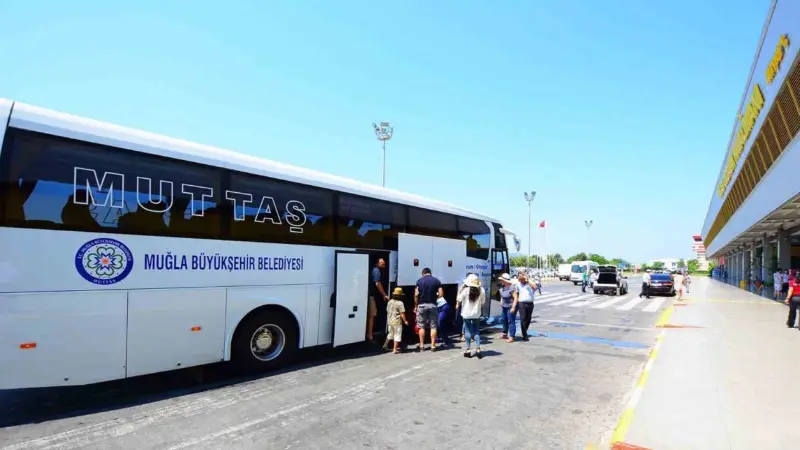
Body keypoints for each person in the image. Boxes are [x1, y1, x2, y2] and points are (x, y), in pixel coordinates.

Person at [414, 267, 442, 352]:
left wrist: (416, 305)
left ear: (423, 273)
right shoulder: (436, 281)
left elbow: (416, 295)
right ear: (430, 273)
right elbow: (441, 294)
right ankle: (433, 346)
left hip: (421, 305)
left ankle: (422, 346)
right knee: (433, 326)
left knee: (421, 326)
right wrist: (434, 297)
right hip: (432, 305)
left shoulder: (419, 281)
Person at [458, 274, 486, 358]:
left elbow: (458, 299)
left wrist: (461, 289)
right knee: (476, 331)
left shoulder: (465, 290)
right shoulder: (482, 290)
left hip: (466, 314)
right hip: (476, 313)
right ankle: (478, 348)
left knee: (467, 331)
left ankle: (468, 349)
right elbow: (483, 302)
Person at [383, 287, 409, 353]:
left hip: (390, 321)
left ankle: (385, 345)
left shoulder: (390, 302)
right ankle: (395, 349)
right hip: (397, 321)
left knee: (390, 334)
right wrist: (405, 321)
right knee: (397, 335)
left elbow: (387, 310)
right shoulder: (400, 303)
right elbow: (402, 313)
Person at [368, 259, 388, 341]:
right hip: (371, 296)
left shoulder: (373, 269)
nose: (384, 266)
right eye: (382, 264)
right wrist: (384, 294)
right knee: (372, 315)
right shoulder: (376, 271)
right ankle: (369, 334)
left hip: (370, 295)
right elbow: (377, 283)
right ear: (377, 263)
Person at [513, 270, 537, 341]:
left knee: (528, 319)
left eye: (522, 276)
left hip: (530, 303)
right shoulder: (517, 284)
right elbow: (516, 293)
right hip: (522, 303)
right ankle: (524, 334)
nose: (521, 278)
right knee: (522, 319)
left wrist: (527, 280)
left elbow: (535, 287)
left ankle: (524, 331)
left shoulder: (529, 283)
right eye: (520, 276)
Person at [498, 273, 518, 342]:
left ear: (506, 281)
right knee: (504, 320)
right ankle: (504, 334)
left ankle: (512, 336)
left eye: (502, 280)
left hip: (510, 306)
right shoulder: (502, 286)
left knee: (511, 321)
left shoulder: (511, 287)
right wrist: (501, 301)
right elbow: (502, 295)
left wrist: (513, 307)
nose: (501, 281)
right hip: (504, 306)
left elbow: (515, 298)